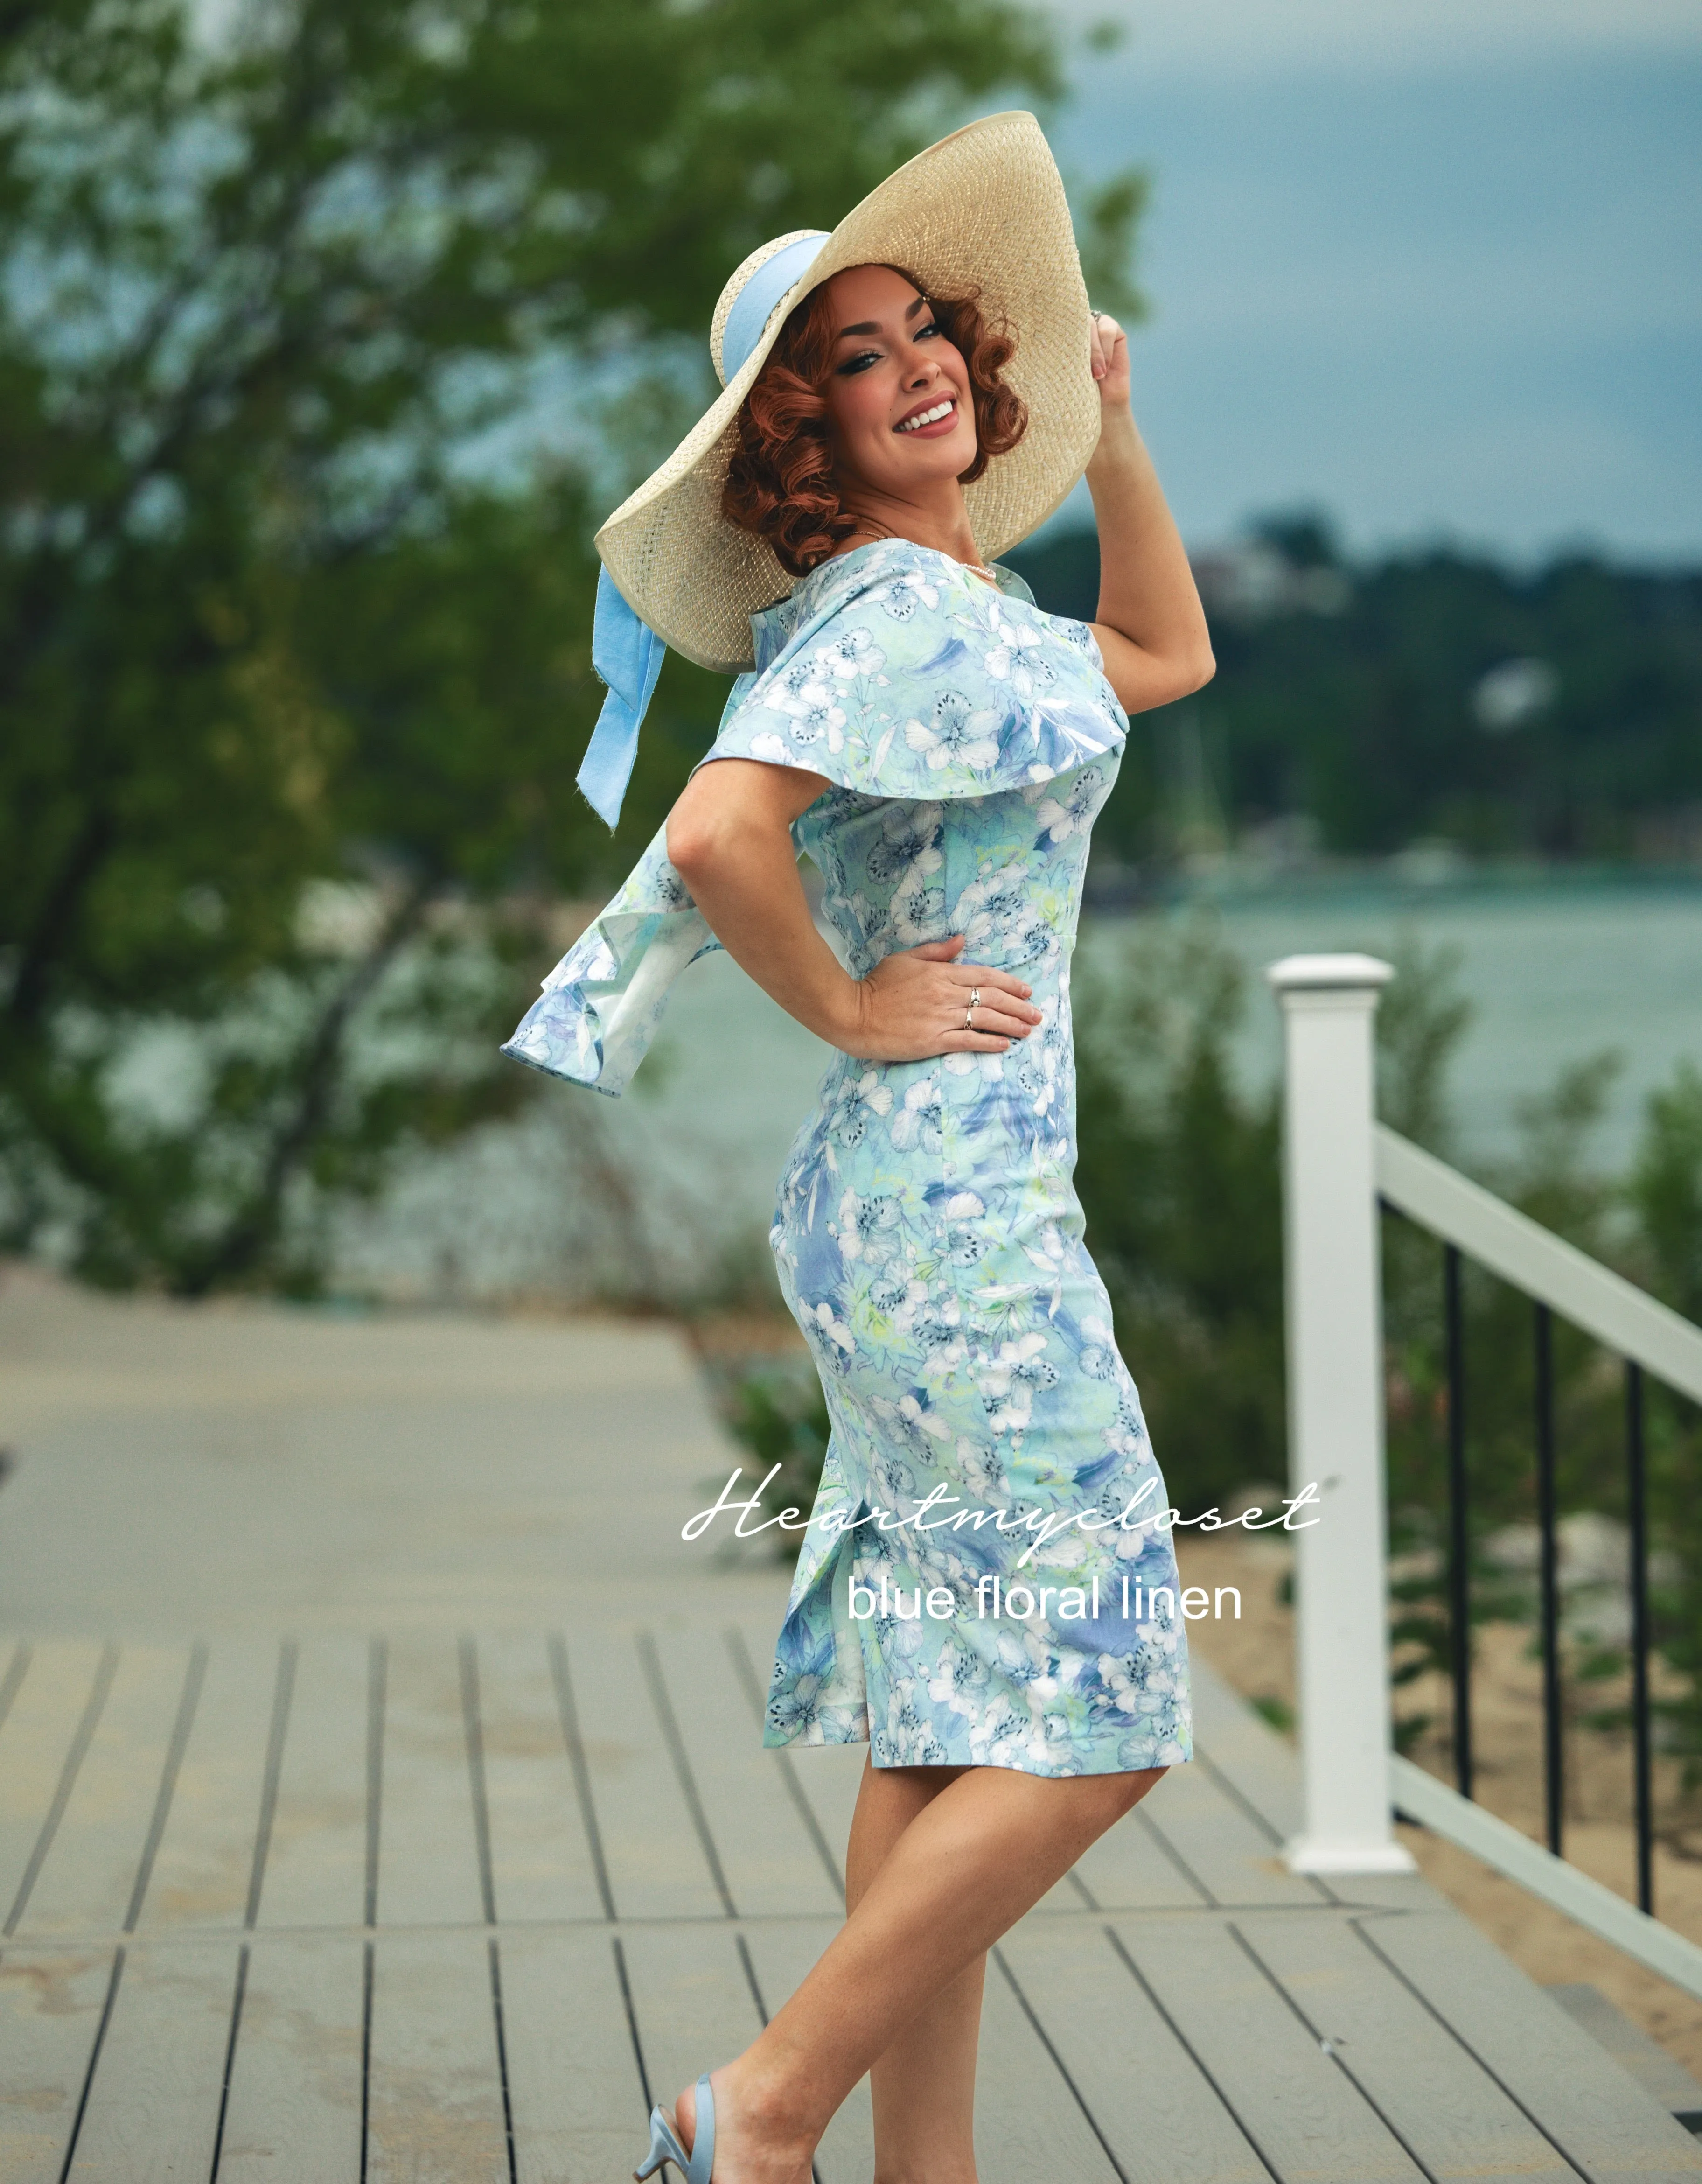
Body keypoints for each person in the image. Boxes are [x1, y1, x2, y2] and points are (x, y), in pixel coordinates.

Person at [503, 112, 1214, 2184]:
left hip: (924, 1205)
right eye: (847, 352)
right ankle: (764, 2113)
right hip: (955, 1213)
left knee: (953, 1709)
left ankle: (919, 2170)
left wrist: (1110, 428)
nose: (909, 360)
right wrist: (845, 1003)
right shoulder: (894, 622)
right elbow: (720, 834)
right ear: (798, 435)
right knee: (1108, 1702)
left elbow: (1162, 655)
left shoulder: (954, 613)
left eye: (921, 326)